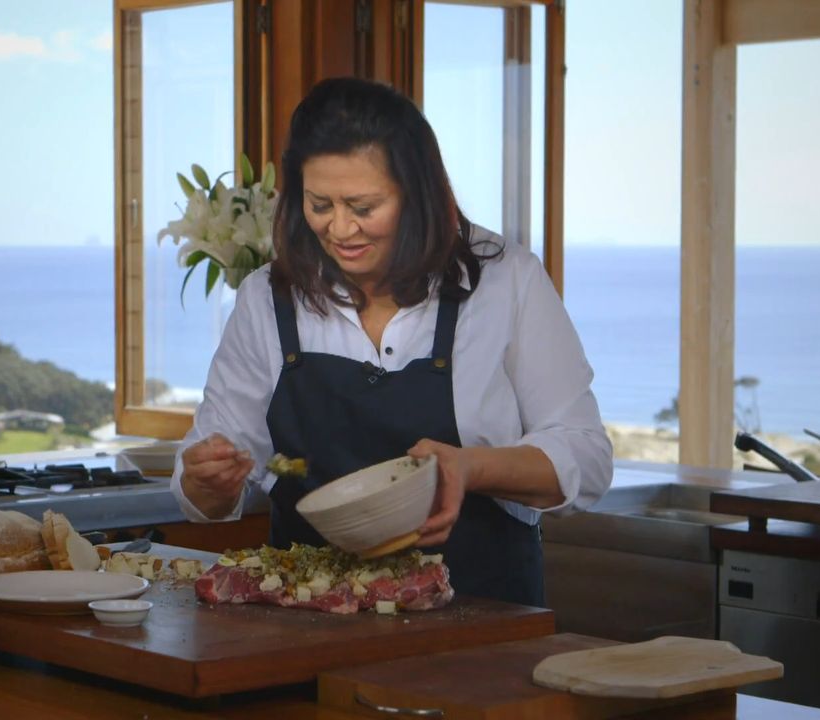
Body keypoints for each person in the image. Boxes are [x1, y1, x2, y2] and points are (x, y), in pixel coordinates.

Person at [169, 77, 612, 606]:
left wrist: (470, 468)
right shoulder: (267, 297)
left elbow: (586, 458)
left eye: (363, 207)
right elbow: (211, 478)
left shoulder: (506, 281)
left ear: (418, 194)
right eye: (320, 204)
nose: (340, 229)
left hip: (484, 620)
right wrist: (207, 482)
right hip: (306, 627)